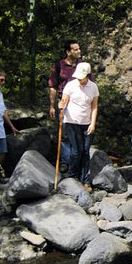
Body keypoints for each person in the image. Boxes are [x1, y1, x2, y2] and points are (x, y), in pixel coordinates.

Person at [58, 62, 99, 187]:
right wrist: (61, 105)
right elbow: (64, 100)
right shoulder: (71, 85)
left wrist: (93, 123)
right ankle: (72, 176)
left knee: (85, 151)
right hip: (72, 121)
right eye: (78, 77)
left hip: (86, 122)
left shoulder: (93, 87)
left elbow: (94, 106)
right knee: (76, 151)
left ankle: (85, 179)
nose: (79, 79)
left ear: (87, 75)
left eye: (82, 77)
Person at [48, 40, 86, 170]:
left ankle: (77, 163)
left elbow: (90, 83)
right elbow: (53, 86)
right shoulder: (59, 66)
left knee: (80, 133)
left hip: (81, 104)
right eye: (75, 49)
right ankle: (64, 162)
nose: (79, 51)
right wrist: (52, 105)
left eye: (79, 48)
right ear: (68, 52)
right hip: (64, 102)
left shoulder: (83, 66)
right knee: (65, 133)